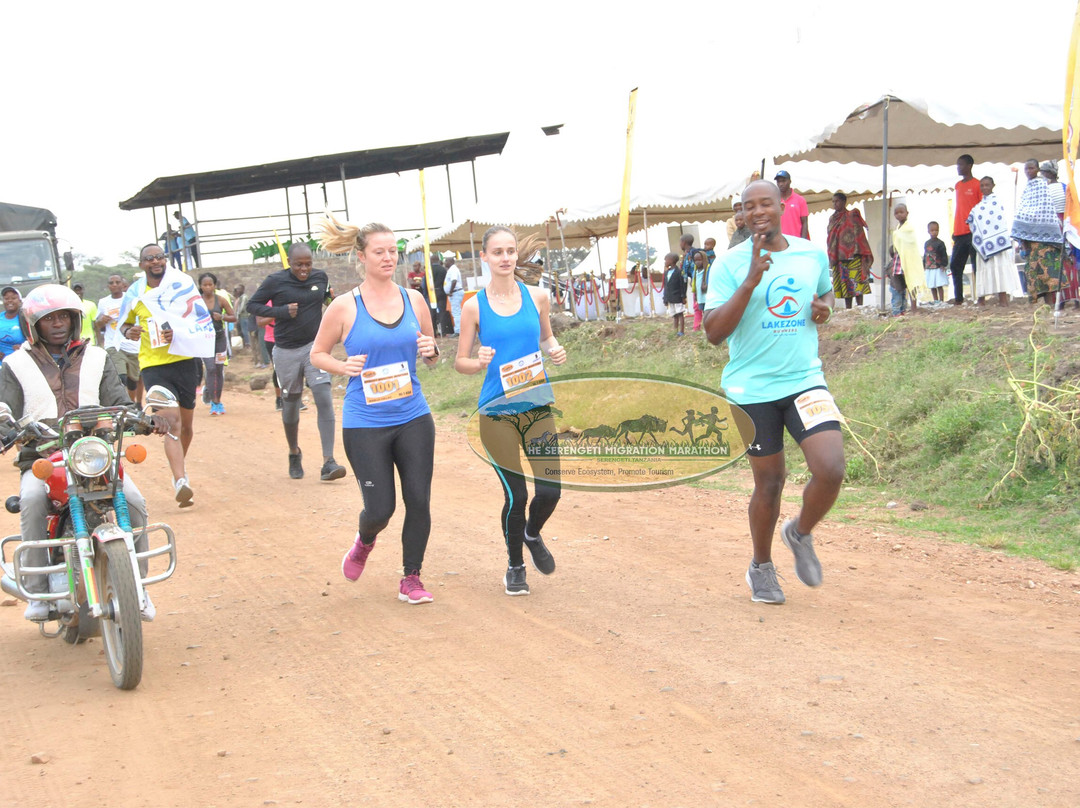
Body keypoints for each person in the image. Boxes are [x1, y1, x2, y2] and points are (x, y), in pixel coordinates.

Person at [703, 180, 844, 605]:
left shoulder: (810, 253)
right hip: (751, 389)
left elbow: (824, 294)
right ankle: (761, 567)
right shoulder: (727, 265)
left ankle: (799, 533)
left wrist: (824, 310)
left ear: (783, 205)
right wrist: (749, 281)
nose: (758, 211)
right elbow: (713, 332)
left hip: (804, 379)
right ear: (741, 215)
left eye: (766, 203)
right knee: (770, 483)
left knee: (831, 468)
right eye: (749, 207)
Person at [0, 285, 168, 621]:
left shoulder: (98, 357)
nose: (58, 323)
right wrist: (5, 424)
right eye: (49, 319)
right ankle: (40, 593)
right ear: (34, 324)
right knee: (33, 500)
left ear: (76, 320)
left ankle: (139, 588)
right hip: (43, 458)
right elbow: (4, 406)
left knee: (133, 502)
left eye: (64, 316)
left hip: (95, 453)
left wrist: (145, 419)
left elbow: (120, 402)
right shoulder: (15, 364)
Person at [311, 216, 439, 605]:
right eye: (379, 252)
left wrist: (431, 352)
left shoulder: (414, 299)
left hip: (413, 415)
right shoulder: (344, 307)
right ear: (361, 257)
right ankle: (364, 541)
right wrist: (341, 367)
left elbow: (431, 351)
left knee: (418, 499)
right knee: (380, 508)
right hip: (365, 422)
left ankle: (411, 578)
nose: (388, 258)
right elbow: (317, 353)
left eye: (393, 251)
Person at [454, 225, 567, 596]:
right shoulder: (474, 306)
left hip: (536, 405)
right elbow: (461, 362)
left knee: (550, 489)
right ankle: (515, 565)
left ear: (517, 255)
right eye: (497, 252)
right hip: (496, 413)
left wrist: (554, 349)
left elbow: (546, 336)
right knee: (516, 495)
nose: (505, 258)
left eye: (510, 251)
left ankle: (532, 533)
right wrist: (478, 360)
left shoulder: (538, 297)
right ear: (484, 257)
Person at [121, 244, 214, 507]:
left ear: (165, 261)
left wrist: (181, 334)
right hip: (153, 366)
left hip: (186, 361)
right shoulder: (136, 294)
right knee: (171, 421)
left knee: (186, 426)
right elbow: (125, 324)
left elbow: (200, 319)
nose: (156, 261)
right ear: (142, 265)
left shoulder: (182, 287)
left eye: (160, 256)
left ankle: (178, 471)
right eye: (149, 259)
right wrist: (131, 332)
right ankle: (181, 480)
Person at [247, 243, 346, 481]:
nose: (304, 269)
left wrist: (332, 302)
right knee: (291, 404)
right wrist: (281, 311)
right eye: (299, 265)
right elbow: (253, 306)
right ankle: (294, 451)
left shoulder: (320, 277)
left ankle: (328, 462)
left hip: (315, 348)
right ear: (289, 263)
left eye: (308, 264)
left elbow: (325, 299)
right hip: (286, 351)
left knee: (324, 397)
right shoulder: (275, 281)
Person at [1012, 158, 1063, 305]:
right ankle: (1036, 304)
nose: (1029, 171)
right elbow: (1022, 211)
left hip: (1045, 239)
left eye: (1031, 168)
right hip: (1030, 239)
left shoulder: (1043, 185)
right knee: (1033, 271)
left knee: (1047, 271)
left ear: (1038, 169)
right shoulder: (1027, 188)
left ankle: (1051, 303)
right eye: (1026, 169)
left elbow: (1046, 208)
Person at [967, 177, 1021, 307]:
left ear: (993, 185)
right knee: (983, 269)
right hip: (984, 245)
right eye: (982, 185)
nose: (985, 188)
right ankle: (981, 299)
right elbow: (971, 221)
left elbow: (1001, 220)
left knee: (999, 269)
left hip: (997, 244)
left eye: (987, 185)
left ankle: (1003, 299)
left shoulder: (997, 202)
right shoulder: (978, 207)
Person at [96, 274, 141, 401]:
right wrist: (102, 320)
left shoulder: (132, 299)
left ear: (123, 284)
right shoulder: (103, 302)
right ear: (108, 286)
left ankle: (132, 404)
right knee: (121, 378)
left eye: (117, 282)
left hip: (133, 345)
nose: (114, 285)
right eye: (111, 283)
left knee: (133, 380)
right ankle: (123, 404)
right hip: (113, 344)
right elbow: (97, 324)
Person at [826, 192, 874, 309]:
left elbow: (859, 234)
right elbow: (831, 237)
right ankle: (848, 308)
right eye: (833, 201)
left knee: (857, 282)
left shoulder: (852, 215)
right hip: (840, 256)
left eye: (837, 201)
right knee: (846, 282)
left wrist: (860, 251)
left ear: (843, 202)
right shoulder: (832, 219)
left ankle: (860, 307)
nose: (834, 204)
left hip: (854, 254)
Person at [198, 273, 235, 415]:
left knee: (219, 369)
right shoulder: (197, 302)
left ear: (214, 285)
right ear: (200, 286)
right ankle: (211, 396)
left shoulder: (221, 300)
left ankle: (217, 402)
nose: (208, 287)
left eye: (210, 284)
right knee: (211, 368)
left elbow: (234, 317)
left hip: (219, 338)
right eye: (205, 285)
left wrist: (222, 317)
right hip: (204, 340)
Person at [950, 154, 982, 304]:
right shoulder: (958, 185)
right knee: (955, 265)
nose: (958, 168)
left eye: (961, 165)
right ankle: (959, 299)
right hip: (959, 232)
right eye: (957, 165)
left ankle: (980, 297)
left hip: (973, 231)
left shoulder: (977, 184)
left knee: (977, 265)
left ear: (969, 166)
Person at [892, 202, 925, 312]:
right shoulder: (897, 227)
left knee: (912, 281)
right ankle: (901, 307)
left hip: (909, 258)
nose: (899, 215)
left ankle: (914, 306)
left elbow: (909, 243)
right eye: (896, 213)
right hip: (899, 258)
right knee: (901, 282)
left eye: (901, 212)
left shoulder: (908, 228)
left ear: (907, 213)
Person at [775, 170, 810, 239]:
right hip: (778, 243)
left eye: (783, 181)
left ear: (790, 181)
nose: (781, 184)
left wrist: (803, 242)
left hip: (796, 242)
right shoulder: (774, 200)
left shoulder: (800, 200)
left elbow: (805, 223)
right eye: (778, 181)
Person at [923, 222, 950, 303]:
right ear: (928, 231)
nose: (934, 232)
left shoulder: (940, 243)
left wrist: (943, 264)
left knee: (939, 284)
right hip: (929, 268)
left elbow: (944, 255)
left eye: (936, 230)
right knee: (932, 285)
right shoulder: (927, 243)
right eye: (932, 230)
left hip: (938, 267)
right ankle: (935, 300)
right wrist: (923, 264)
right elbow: (925, 255)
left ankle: (941, 300)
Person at [662, 251, 687, 336]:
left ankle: (681, 331)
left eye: (666, 260)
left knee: (680, 313)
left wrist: (683, 296)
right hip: (670, 297)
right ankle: (675, 330)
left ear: (672, 261)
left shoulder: (679, 272)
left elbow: (682, 285)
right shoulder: (666, 273)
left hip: (677, 297)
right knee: (674, 315)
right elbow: (666, 286)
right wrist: (665, 298)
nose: (665, 262)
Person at [0, 287, 25, 361]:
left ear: (20, 301)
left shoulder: (25, 318)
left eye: (13, 298)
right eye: (6, 298)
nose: (9, 301)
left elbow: (35, 340)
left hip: (21, 361)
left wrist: (24, 347)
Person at [689, 249, 709, 331]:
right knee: (703, 312)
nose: (697, 262)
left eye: (699, 260)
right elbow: (694, 284)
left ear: (704, 259)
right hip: (700, 297)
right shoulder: (695, 271)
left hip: (707, 297)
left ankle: (710, 327)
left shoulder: (707, 269)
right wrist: (695, 296)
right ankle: (704, 328)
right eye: (695, 260)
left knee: (708, 313)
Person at [444, 256, 464, 335]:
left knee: (456, 312)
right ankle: (458, 329)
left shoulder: (453, 270)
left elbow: (454, 280)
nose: (445, 262)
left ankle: (458, 331)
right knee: (456, 311)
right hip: (454, 292)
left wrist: (451, 291)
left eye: (446, 261)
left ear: (451, 261)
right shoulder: (451, 269)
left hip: (455, 292)